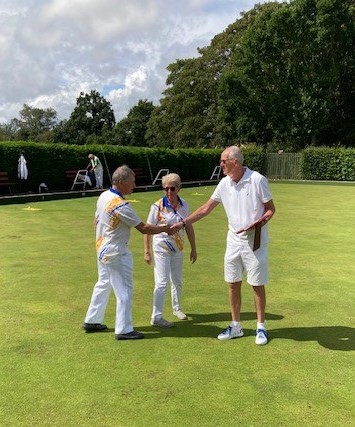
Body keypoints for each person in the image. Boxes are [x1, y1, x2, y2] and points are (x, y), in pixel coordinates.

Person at [172, 146, 275, 345]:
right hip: (233, 240)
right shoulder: (224, 183)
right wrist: (184, 222)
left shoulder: (257, 179)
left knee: (256, 283)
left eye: (223, 161)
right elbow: (206, 208)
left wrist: (258, 224)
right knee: (232, 282)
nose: (220, 165)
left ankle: (260, 327)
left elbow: (270, 209)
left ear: (235, 162)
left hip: (255, 240)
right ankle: (235, 326)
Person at [82, 165, 176, 340]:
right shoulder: (121, 205)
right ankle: (124, 329)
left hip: (102, 248)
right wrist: (167, 229)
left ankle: (92, 320)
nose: (134, 185)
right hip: (116, 251)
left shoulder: (104, 196)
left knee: (103, 282)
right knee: (124, 290)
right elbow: (144, 228)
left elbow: (96, 221)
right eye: (132, 182)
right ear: (122, 182)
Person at [144, 173, 197, 328]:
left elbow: (189, 226)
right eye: (166, 188)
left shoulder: (184, 205)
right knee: (161, 282)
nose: (168, 192)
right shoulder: (156, 206)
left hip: (178, 248)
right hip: (161, 247)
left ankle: (177, 308)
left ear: (178, 189)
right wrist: (147, 251)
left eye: (172, 188)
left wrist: (194, 248)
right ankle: (156, 316)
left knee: (177, 280)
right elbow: (147, 228)